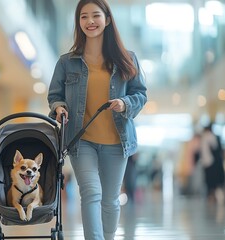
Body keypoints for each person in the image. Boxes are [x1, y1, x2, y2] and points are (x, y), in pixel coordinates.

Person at [47, 0, 147, 239]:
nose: (90, 21)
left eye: (95, 15)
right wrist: (59, 108)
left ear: (107, 19)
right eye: (84, 17)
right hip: (82, 140)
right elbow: (54, 96)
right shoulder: (66, 61)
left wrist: (125, 103)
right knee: (91, 192)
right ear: (78, 22)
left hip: (117, 140)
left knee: (111, 199)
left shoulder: (127, 59)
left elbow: (141, 94)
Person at [199, 124, 225, 204]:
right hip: (211, 163)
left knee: (211, 182)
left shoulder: (206, 137)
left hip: (210, 163)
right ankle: (214, 196)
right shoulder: (210, 137)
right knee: (214, 182)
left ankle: (213, 196)